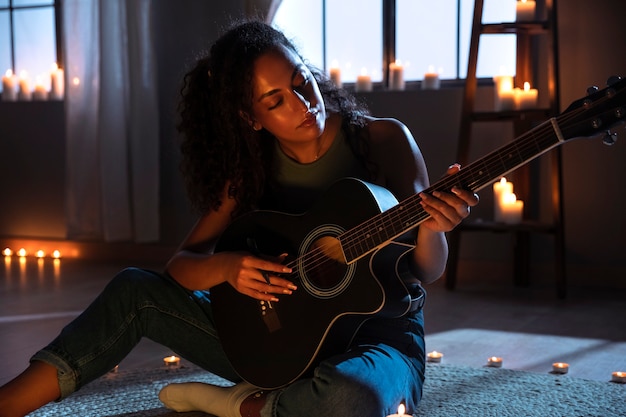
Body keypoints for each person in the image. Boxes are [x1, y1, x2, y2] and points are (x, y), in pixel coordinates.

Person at [0, 20, 478, 417]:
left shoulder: (383, 139)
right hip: (278, 342)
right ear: (251, 118)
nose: (302, 104)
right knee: (132, 289)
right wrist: (228, 268)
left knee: (348, 397)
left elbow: (425, 272)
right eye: (275, 102)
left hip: (380, 339)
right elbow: (182, 266)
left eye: (299, 81)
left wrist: (434, 228)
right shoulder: (249, 170)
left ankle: (245, 405)